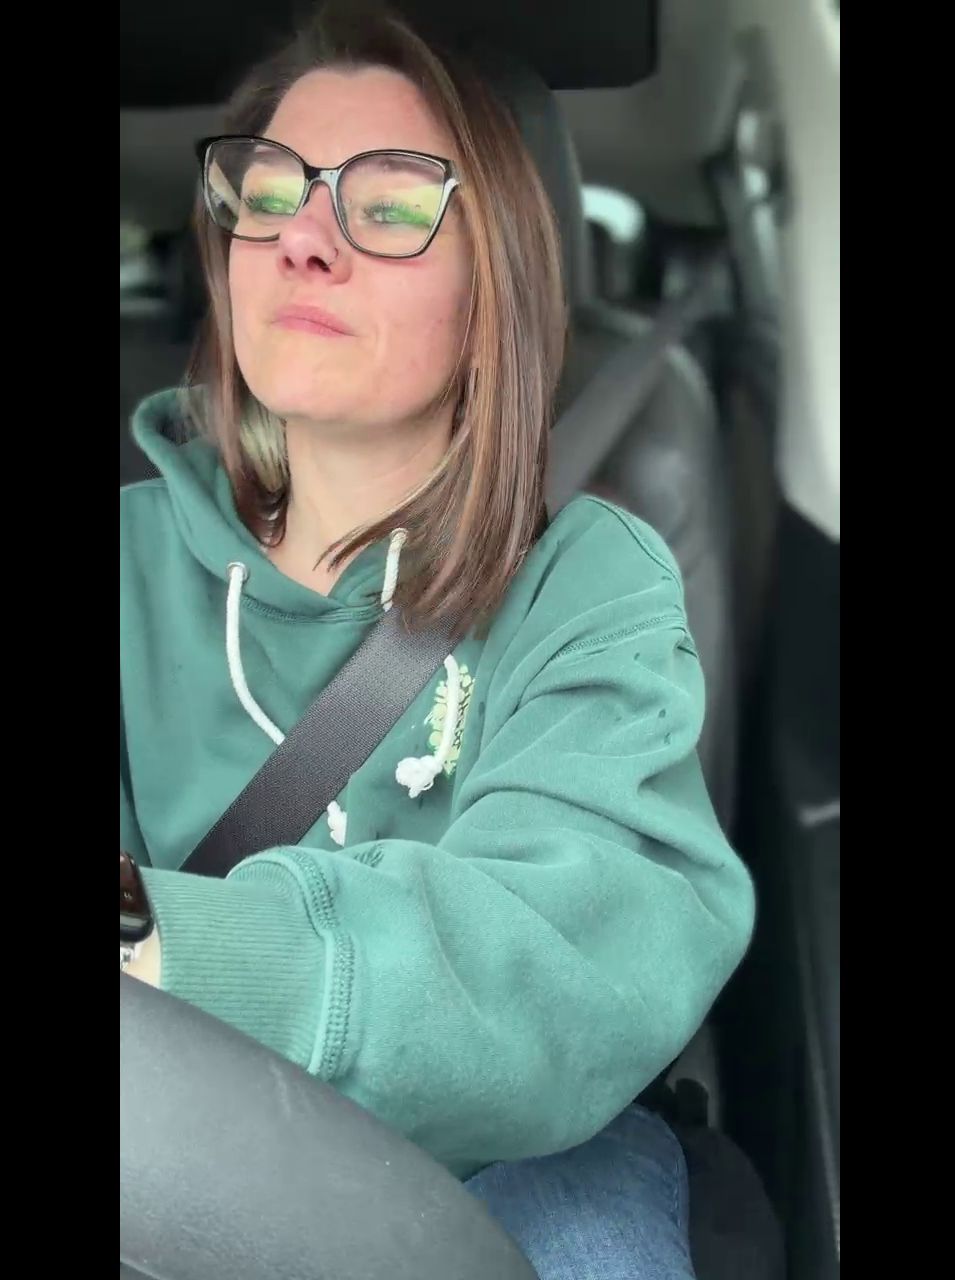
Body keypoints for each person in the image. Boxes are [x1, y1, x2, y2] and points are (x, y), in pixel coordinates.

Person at [119, 6, 755, 1276]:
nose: (303, 239)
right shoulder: (129, 560)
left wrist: (170, 937)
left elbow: (576, 952)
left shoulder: (587, 584)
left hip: (520, 1160)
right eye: (269, 192)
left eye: (392, 206)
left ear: (494, 286)